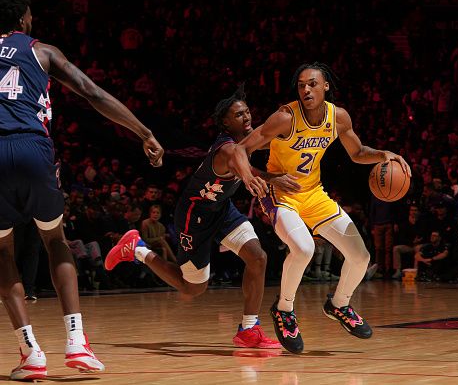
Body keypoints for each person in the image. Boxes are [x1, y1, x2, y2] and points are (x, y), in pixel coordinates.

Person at [0, 0, 164, 380]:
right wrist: (143, 132)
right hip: (33, 147)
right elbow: (92, 92)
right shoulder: (43, 51)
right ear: (25, 18)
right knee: (54, 240)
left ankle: (30, 352)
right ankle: (76, 342)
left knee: (2, 251)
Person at [231, 62, 411, 354]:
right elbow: (240, 149)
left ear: (325, 86)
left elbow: (357, 152)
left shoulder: (337, 117)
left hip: (314, 194)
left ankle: (339, 304)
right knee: (303, 248)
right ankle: (284, 309)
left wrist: (383, 154)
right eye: (301, 85)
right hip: (281, 195)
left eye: (312, 84)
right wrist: (256, 177)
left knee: (360, 256)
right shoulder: (284, 117)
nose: (306, 89)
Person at [105, 85, 296, 349]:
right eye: (239, 115)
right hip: (194, 217)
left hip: (221, 209)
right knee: (192, 288)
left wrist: (270, 177)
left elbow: (247, 166)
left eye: (247, 112)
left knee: (258, 257)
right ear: (226, 124)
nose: (247, 117)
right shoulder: (226, 150)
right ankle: (137, 249)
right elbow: (241, 166)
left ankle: (249, 328)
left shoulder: (242, 146)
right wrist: (253, 179)